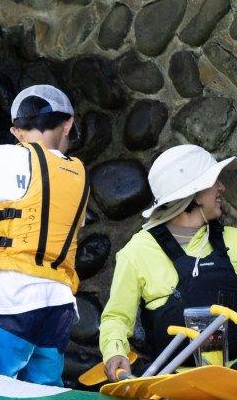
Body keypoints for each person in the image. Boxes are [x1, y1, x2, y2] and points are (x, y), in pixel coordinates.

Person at [0, 85, 88, 386]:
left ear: (16, 131)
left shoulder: (3, 156)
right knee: (42, 393)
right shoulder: (81, 175)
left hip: (12, 297)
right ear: (68, 123)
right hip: (59, 305)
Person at [99, 144, 237, 382]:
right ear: (194, 192)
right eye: (214, 181)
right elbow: (117, 318)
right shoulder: (137, 252)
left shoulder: (234, 239)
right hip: (172, 386)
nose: (222, 188)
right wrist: (115, 352)